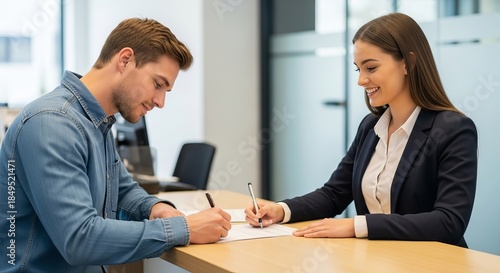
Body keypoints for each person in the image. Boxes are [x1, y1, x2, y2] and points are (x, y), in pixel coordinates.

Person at [0, 18, 231, 272]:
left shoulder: (97, 122)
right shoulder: (52, 124)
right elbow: (80, 239)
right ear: (125, 60)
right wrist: (184, 229)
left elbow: (121, 191)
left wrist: (156, 207)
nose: (160, 101)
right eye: (157, 84)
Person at [245, 13, 477, 248]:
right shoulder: (370, 127)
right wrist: (280, 210)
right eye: (358, 69)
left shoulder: (453, 130)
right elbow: (334, 194)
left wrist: (356, 225)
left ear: (408, 62)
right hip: (378, 260)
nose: (361, 80)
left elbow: (449, 221)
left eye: (371, 68)